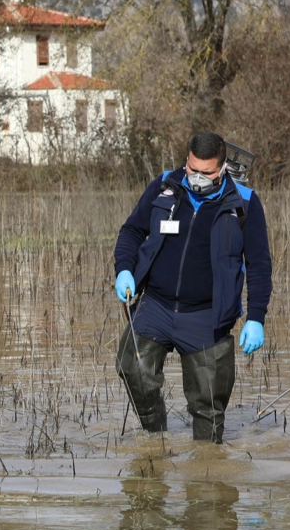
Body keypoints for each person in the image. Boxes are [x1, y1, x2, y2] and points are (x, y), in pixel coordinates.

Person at [113, 131, 271, 443]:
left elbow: (259, 265)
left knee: (208, 406)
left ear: (222, 168)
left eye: (206, 172)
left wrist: (256, 317)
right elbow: (131, 231)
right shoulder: (164, 187)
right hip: (155, 305)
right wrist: (125, 271)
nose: (197, 177)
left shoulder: (245, 204)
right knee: (133, 369)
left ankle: (206, 472)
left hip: (207, 317)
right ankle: (157, 444)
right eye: (192, 169)